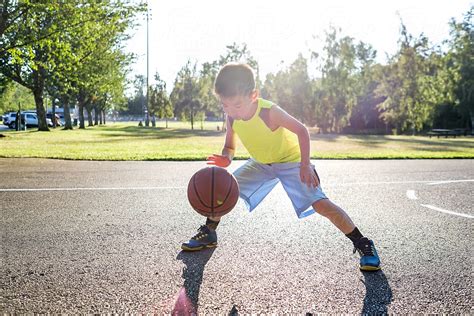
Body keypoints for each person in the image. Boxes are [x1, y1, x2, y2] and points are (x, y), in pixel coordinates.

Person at [181, 63, 381, 271]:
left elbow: (302, 131)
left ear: (253, 95)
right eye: (225, 105)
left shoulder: (269, 112)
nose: (231, 110)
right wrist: (226, 158)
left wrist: (305, 165)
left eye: (236, 105)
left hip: (291, 162)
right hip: (260, 164)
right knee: (222, 187)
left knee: (320, 205)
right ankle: (209, 232)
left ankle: (363, 243)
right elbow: (229, 146)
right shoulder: (232, 117)